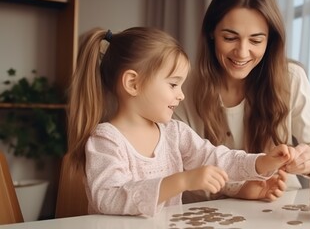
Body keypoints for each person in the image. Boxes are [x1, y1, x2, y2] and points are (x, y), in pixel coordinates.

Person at [67, 26, 295, 217]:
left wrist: (261, 163)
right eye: (173, 84)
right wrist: (182, 181)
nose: (181, 95)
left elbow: (216, 157)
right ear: (133, 84)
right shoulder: (106, 139)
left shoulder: (173, 132)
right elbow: (109, 198)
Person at [173, 0, 310, 203]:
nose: (242, 52)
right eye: (230, 38)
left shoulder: (291, 78)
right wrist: (239, 188)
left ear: (270, 40)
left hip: (279, 208)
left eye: (256, 41)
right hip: (207, 212)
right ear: (211, 32)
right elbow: (177, 169)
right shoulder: (181, 86)